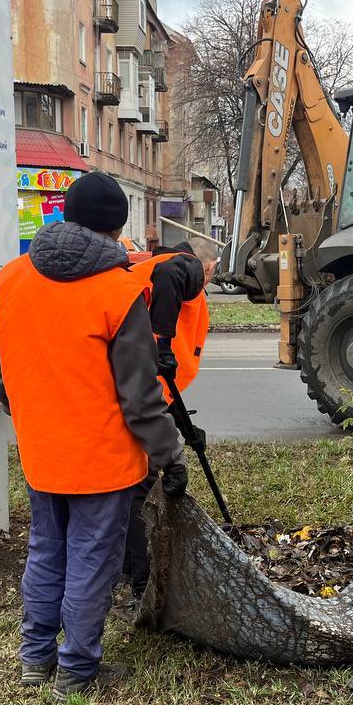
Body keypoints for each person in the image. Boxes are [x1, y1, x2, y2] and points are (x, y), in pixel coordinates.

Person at [0, 171, 187, 699]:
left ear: (66, 217)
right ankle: (76, 670)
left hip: (41, 452)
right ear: (116, 229)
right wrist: (168, 453)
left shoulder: (10, 279)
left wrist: (37, 419)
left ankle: (36, 659)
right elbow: (140, 397)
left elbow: (0, 374)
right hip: (103, 461)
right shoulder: (121, 293)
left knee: (46, 550)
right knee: (91, 561)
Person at [120, 241, 216, 604]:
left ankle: (128, 570)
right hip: (138, 390)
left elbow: (163, 387)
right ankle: (143, 584)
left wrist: (184, 428)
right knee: (139, 484)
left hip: (132, 387)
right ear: (211, 267)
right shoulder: (188, 266)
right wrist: (163, 344)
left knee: (130, 484)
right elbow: (170, 274)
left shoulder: (147, 274)